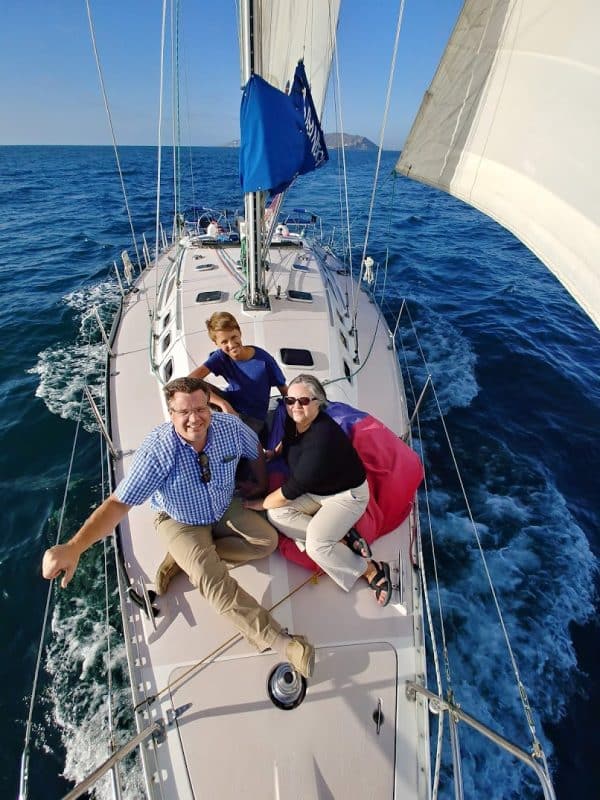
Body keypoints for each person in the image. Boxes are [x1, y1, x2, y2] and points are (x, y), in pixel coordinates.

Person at [41, 376, 314, 678]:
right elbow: (118, 504)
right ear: (171, 414)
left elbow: (256, 455)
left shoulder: (230, 428)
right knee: (213, 583)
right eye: (183, 412)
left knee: (266, 541)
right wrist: (74, 546)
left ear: (209, 406)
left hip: (223, 505)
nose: (194, 418)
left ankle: (184, 561)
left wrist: (260, 486)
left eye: (200, 408)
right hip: (179, 520)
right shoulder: (157, 452)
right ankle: (282, 642)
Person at [244, 374, 393, 606]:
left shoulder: (321, 442)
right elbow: (289, 439)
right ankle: (344, 538)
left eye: (303, 401)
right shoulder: (295, 421)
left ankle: (371, 569)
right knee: (277, 515)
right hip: (317, 491)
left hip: (345, 496)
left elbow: (289, 491)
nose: (295, 406)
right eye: (290, 400)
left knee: (316, 545)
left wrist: (259, 503)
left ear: (318, 402)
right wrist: (276, 452)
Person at [189, 311, 287, 438]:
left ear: (240, 333)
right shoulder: (221, 356)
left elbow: (284, 390)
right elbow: (191, 379)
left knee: (231, 444)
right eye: (224, 342)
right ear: (217, 344)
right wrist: (223, 404)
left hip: (253, 417)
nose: (231, 345)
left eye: (234, 337)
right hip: (229, 403)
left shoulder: (264, 360)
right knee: (190, 387)